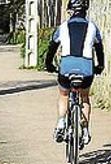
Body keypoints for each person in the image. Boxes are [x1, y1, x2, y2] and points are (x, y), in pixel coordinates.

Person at [43, 0, 104, 144]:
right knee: (84, 98)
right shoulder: (92, 27)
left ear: (70, 11)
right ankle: (85, 130)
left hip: (66, 67)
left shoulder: (63, 27)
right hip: (86, 68)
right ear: (85, 11)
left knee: (64, 95)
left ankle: (61, 123)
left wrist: (49, 64)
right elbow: (99, 49)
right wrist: (100, 66)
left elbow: (52, 47)